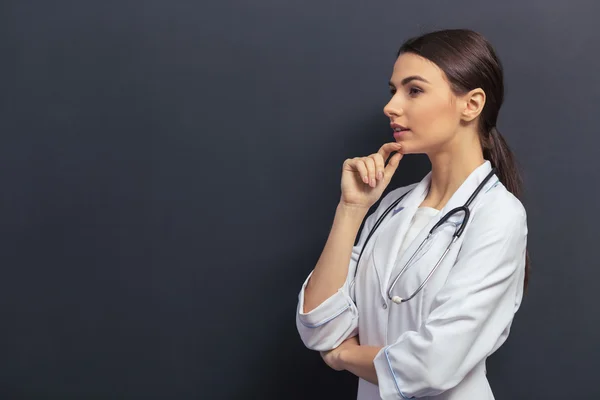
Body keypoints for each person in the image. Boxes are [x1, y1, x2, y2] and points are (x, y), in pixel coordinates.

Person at [295, 29, 530, 400]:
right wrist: (351, 209)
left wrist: (343, 355)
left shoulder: (499, 215)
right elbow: (318, 324)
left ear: (471, 104)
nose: (391, 106)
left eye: (414, 90)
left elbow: (434, 364)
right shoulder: (391, 207)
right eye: (394, 91)